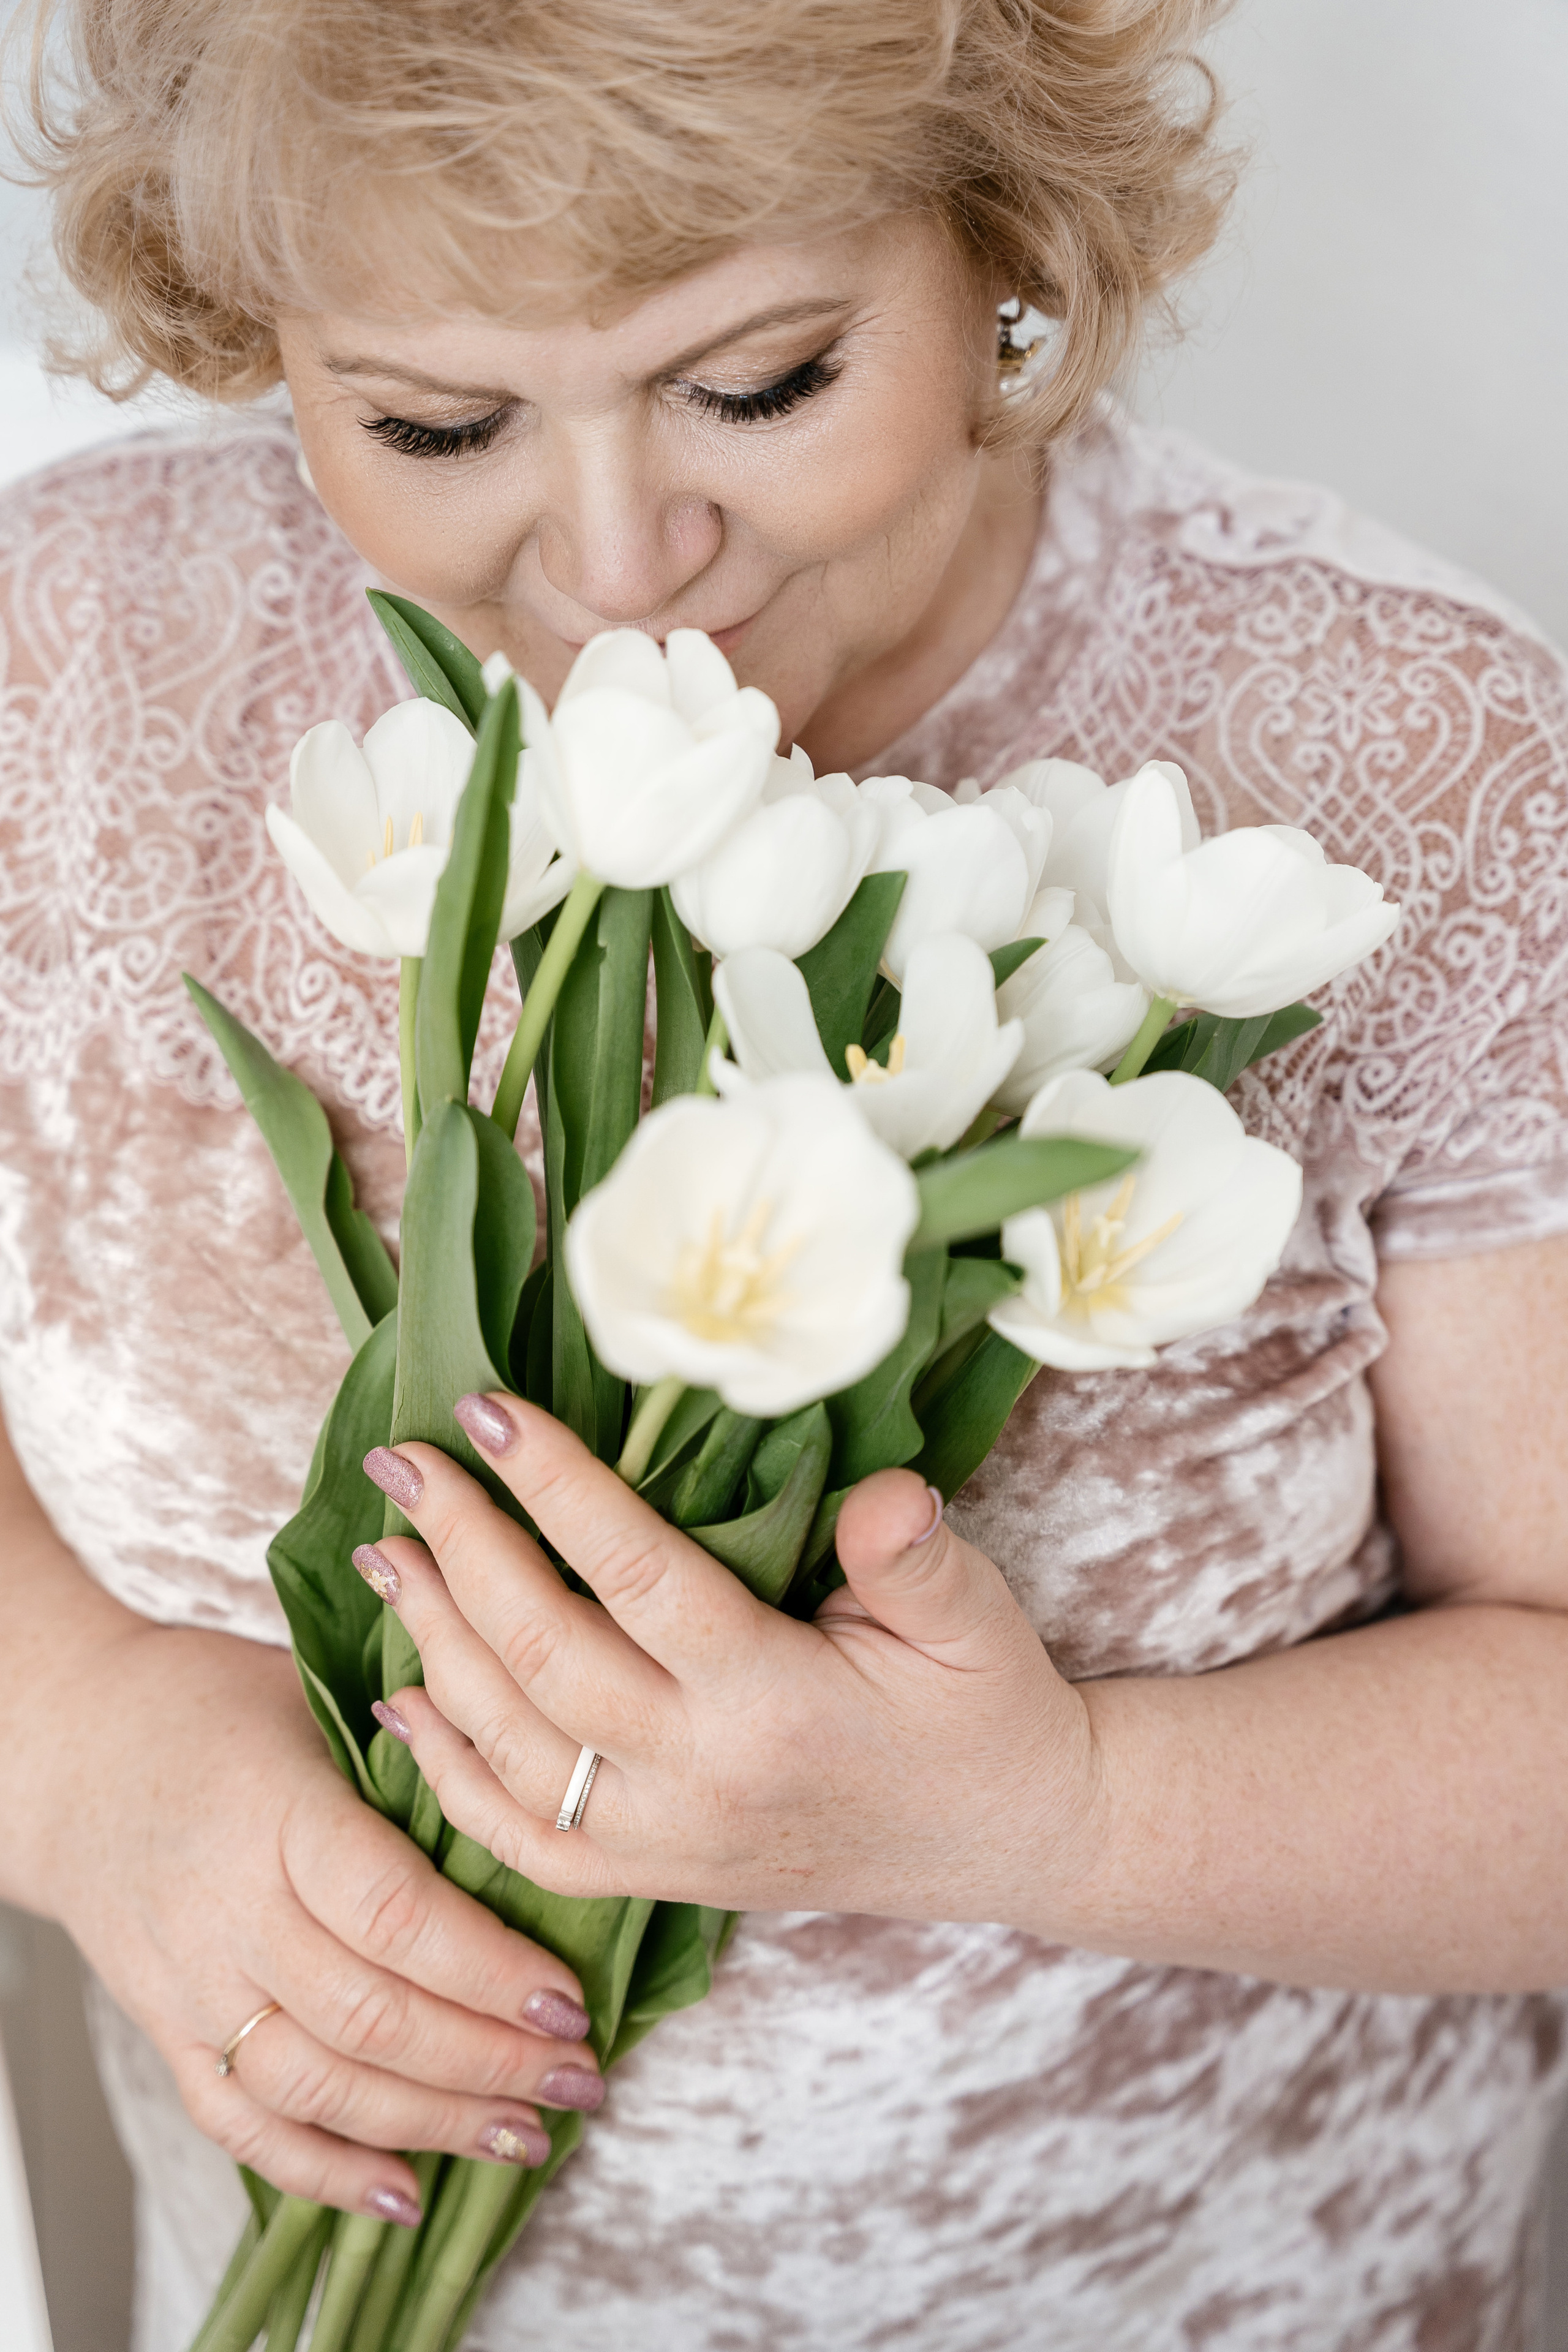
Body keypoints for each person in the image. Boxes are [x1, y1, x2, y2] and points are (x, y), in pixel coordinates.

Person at [2, 0, 1566, 2345]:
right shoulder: (73, 667)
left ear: (1004, 246)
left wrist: (1056, 1820)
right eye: (436, 420)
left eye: (761, 383)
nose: (628, 561)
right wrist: (82, 1747)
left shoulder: (1398, 771)